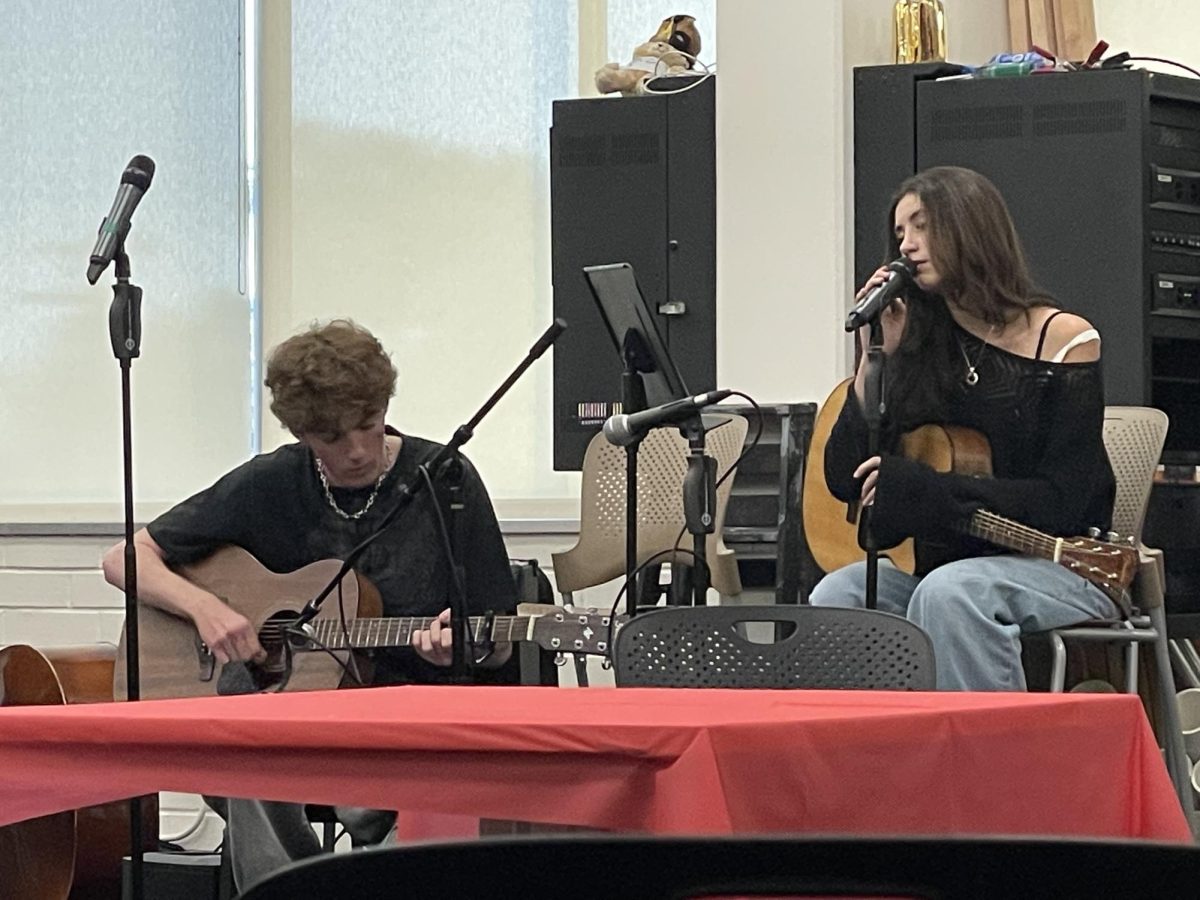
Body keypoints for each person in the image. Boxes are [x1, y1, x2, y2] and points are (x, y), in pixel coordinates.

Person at [101, 318, 520, 889]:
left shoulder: (443, 480)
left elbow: (497, 638)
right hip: (294, 734)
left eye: (368, 426)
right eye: (331, 439)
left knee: (417, 804)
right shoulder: (272, 483)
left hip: (406, 730)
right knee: (239, 741)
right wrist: (205, 609)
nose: (355, 452)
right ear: (303, 435)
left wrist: (458, 650)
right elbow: (126, 558)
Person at [809, 166, 1118, 691]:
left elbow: (1065, 500)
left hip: (1061, 564)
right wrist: (876, 356)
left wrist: (936, 493)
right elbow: (845, 478)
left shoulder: (1061, 337)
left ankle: (985, 768)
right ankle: (883, 761)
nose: (905, 245)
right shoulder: (921, 345)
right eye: (899, 232)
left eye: (922, 226)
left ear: (969, 228)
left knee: (952, 593)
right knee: (838, 596)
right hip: (947, 571)